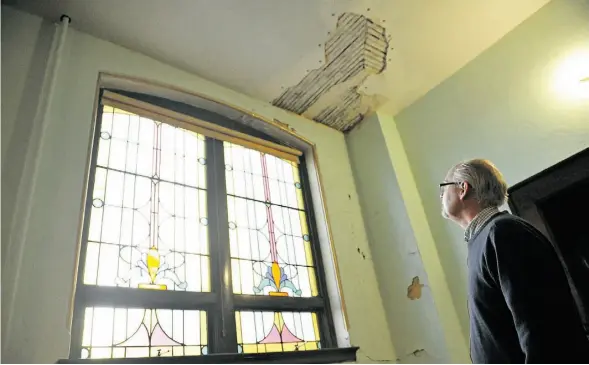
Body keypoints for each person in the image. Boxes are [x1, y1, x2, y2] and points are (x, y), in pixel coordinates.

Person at [440, 159, 589, 363]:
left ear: (463, 188)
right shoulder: (487, 237)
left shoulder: (503, 233)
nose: (440, 196)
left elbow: (541, 329)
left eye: (443, 187)